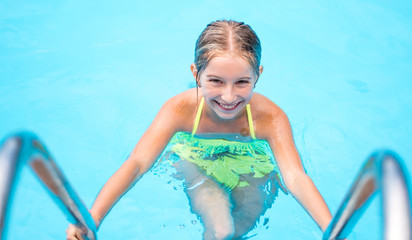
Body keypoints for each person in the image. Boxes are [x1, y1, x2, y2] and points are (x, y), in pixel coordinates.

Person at [66, 20, 332, 240]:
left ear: (258, 76)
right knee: (221, 230)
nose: (229, 97)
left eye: (242, 82)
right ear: (196, 74)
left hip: (251, 163)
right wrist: (93, 218)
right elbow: (137, 163)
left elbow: (295, 177)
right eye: (215, 81)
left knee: (240, 228)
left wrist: (332, 229)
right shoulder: (180, 110)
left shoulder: (270, 118)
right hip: (196, 159)